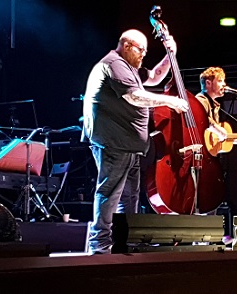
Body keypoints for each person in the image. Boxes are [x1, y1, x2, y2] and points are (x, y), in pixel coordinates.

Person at [81, 29, 188, 254]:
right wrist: (169, 101)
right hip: (114, 142)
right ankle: (99, 246)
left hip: (129, 145)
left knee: (128, 197)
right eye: (141, 50)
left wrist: (171, 55)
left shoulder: (130, 69)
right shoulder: (114, 64)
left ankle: (123, 241)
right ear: (127, 45)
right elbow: (134, 96)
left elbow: (157, 76)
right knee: (110, 193)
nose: (143, 55)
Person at [195, 66, 237, 147]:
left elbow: (218, 137)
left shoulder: (214, 105)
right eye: (220, 81)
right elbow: (202, 118)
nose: (224, 84)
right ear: (208, 83)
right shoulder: (200, 99)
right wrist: (219, 130)